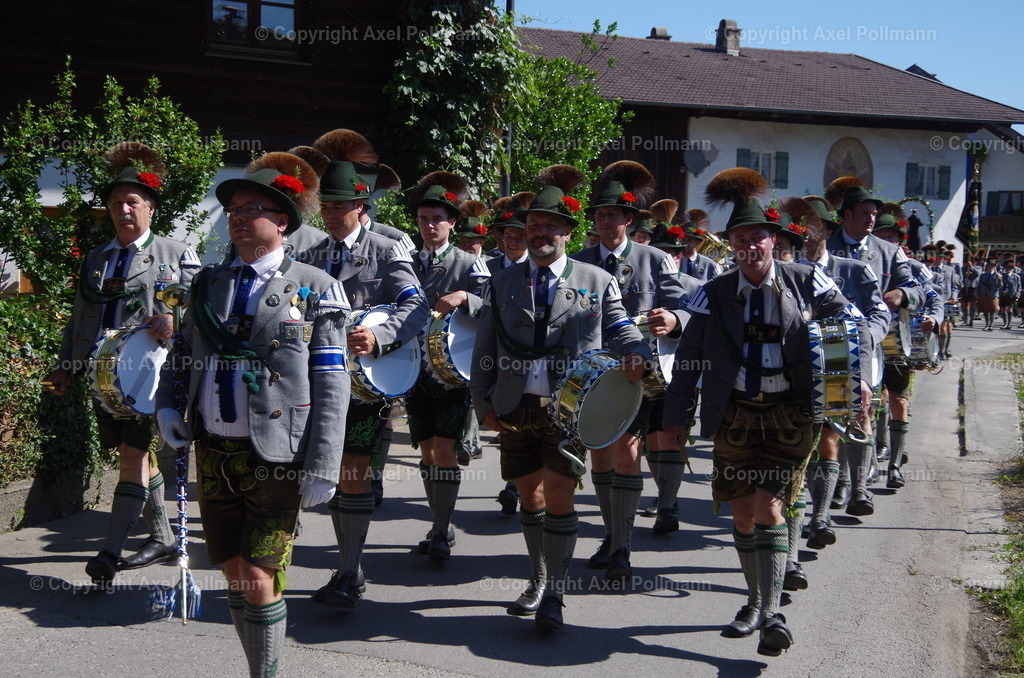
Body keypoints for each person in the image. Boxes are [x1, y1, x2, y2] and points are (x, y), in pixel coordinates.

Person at [155, 152, 350, 677]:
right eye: (232, 210)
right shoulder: (208, 284)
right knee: (236, 572)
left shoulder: (315, 285)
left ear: (281, 220)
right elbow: (180, 359)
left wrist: (324, 465)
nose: (236, 218)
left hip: (279, 455)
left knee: (261, 576)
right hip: (215, 448)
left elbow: (333, 382)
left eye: (250, 208)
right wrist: (168, 407)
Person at [665, 168, 867, 656]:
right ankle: (755, 602)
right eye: (740, 238)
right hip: (734, 413)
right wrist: (675, 420)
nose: (750, 246)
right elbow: (688, 356)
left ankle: (772, 613)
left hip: (791, 412)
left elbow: (848, 322)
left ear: (774, 240)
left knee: (769, 506)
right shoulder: (713, 291)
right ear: (730, 244)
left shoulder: (804, 280)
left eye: (759, 236)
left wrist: (852, 381)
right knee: (740, 512)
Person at [471, 163, 650, 630]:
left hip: (570, 408)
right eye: (534, 226)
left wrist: (636, 353)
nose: (540, 233)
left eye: (550, 225)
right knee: (529, 498)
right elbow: (484, 349)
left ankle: (555, 593)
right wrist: (482, 405)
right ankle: (538, 576)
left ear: (568, 231)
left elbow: (621, 327)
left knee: (559, 497)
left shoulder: (595, 279)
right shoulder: (502, 280)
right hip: (515, 407)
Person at [46, 142, 201, 586]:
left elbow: (201, 312)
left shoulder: (177, 252)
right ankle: (163, 536)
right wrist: (67, 367)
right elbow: (80, 319)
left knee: (133, 454)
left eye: (132, 202)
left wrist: (174, 320)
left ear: (150, 208)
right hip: (106, 378)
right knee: (134, 456)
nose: (123, 209)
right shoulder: (96, 258)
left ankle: (109, 552)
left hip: (153, 377)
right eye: (116, 203)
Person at [298, 129, 430, 608]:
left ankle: (348, 571)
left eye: (340, 208)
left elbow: (416, 308)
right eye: (326, 207)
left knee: (352, 471)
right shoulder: (307, 255)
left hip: (363, 385)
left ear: (362, 207)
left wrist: (380, 335)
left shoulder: (387, 248)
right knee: (317, 471)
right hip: (311, 382)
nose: (331, 215)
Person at [570, 161, 690, 580]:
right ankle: (611, 532)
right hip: (594, 376)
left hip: (643, 373)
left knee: (628, 452)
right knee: (600, 452)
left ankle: (621, 546)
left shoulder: (656, 259)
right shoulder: (577, 262)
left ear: (628, 219)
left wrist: (674, 320)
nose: (605, 222)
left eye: (613, 215)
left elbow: (687, 307)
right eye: (599, 215)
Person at [794, 196, 889, 560]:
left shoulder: (853, 269)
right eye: (803, 227)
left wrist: (862, 345)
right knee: (808, 441)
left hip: (844, 362)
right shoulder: (788, 271)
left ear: (829, 232)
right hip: (799, 369)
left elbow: (876, 314)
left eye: (816, 227)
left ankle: (831, 508)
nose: (809, 234)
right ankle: (810, 512)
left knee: (835, 433)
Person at [406, 171, 484, 559]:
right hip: (412, 369)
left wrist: (464, 297)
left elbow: (494, 310)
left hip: (452, 373)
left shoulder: (470, 263)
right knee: (425, 450)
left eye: (437, 219)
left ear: (452, 223)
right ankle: (439, 521)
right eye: (423, 219)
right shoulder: (405, 260)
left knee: (444, 449)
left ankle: (440, 528)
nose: (429, 226)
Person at [872, 209, 943, 490]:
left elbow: (934, 296)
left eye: (891, 237)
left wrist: (934, 319)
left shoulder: (913, 266)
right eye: (881, 237)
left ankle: (895, 464)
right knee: (872, 402)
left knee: (898, 401)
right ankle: (877, 449)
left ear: (899, 241)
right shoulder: (863, 262)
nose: (886, 242)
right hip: (870, 343)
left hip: (901, 345)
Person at [484, 193, 535, 516]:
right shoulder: (487, 267)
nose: (511, 242)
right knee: (507, 423)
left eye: (519, 236)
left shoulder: (538, 268)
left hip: (532, 361)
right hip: (491, 354)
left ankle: (516, 487)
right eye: (507, 236)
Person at [676, 209, 723, 282]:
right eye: (683, 240)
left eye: (689, 240)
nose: (685, 244)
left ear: (697, 242)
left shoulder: (710, 265)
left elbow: (720, 286)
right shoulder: (675, 261)